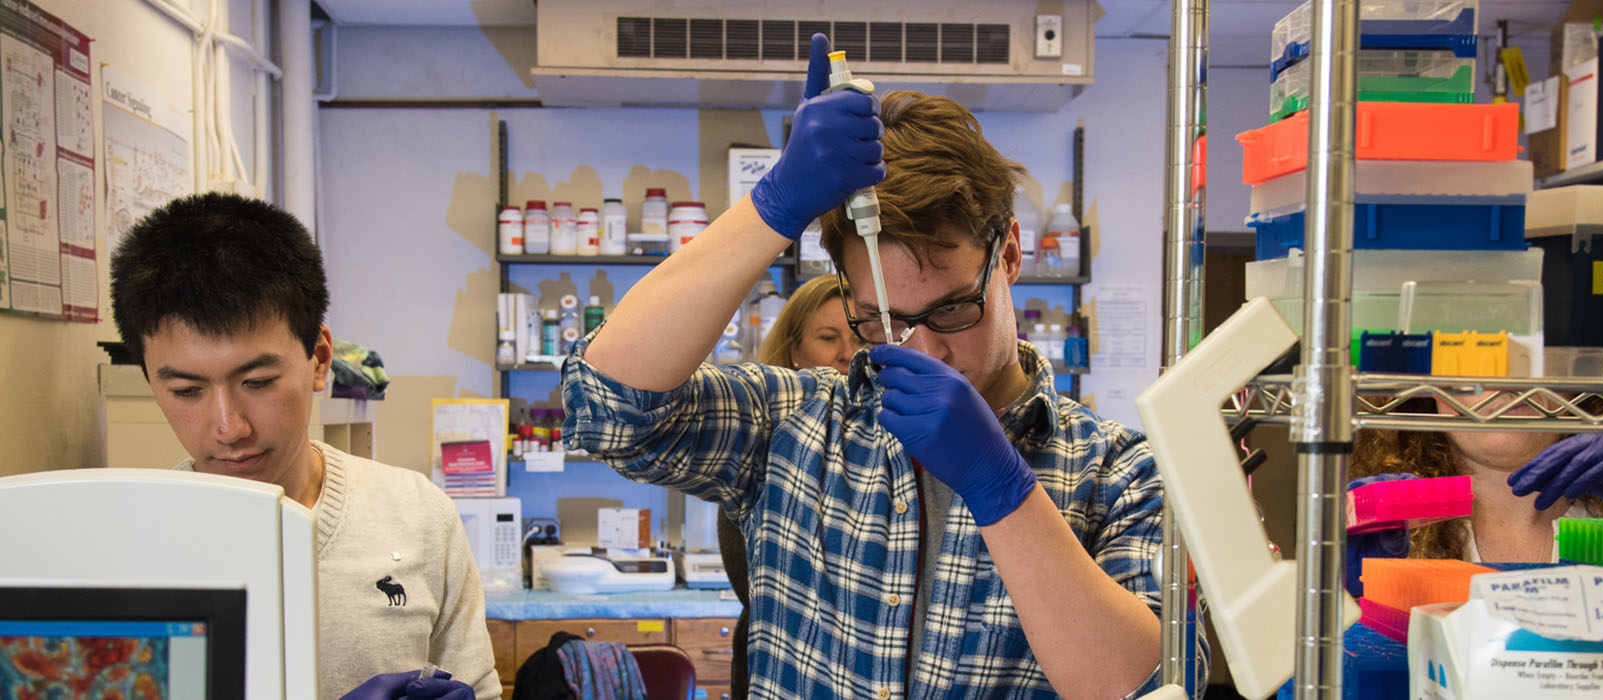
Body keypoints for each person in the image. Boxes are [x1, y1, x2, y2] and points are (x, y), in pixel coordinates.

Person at [566, 35, 1190, 699]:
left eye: (953, 310)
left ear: (1008, 253)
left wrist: (1003, 490)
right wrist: (773, 205)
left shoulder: (1123, 473)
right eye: (882, 321)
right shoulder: (792, 423)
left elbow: (1148, 688)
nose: (925, 352)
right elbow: (607, 406)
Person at [109, 192, 499, 700]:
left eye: (258, 382)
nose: (229, 428)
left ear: (319, 358)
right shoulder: (127, 549)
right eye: (186, 391)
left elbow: (479, 688)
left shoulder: (417, 515)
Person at [1343, 397, 1603, 592]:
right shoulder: (1389, 531)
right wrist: (1337, 596)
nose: (1504, 382)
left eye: (1529, 354)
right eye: (1473, 359)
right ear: (1429, 391)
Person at [716, 273, 861, 697]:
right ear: (795, 351)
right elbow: (754, 582)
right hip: (785, 667)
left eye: (860, 337)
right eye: (828, 338)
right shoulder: (762, 444)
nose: (847, 353)